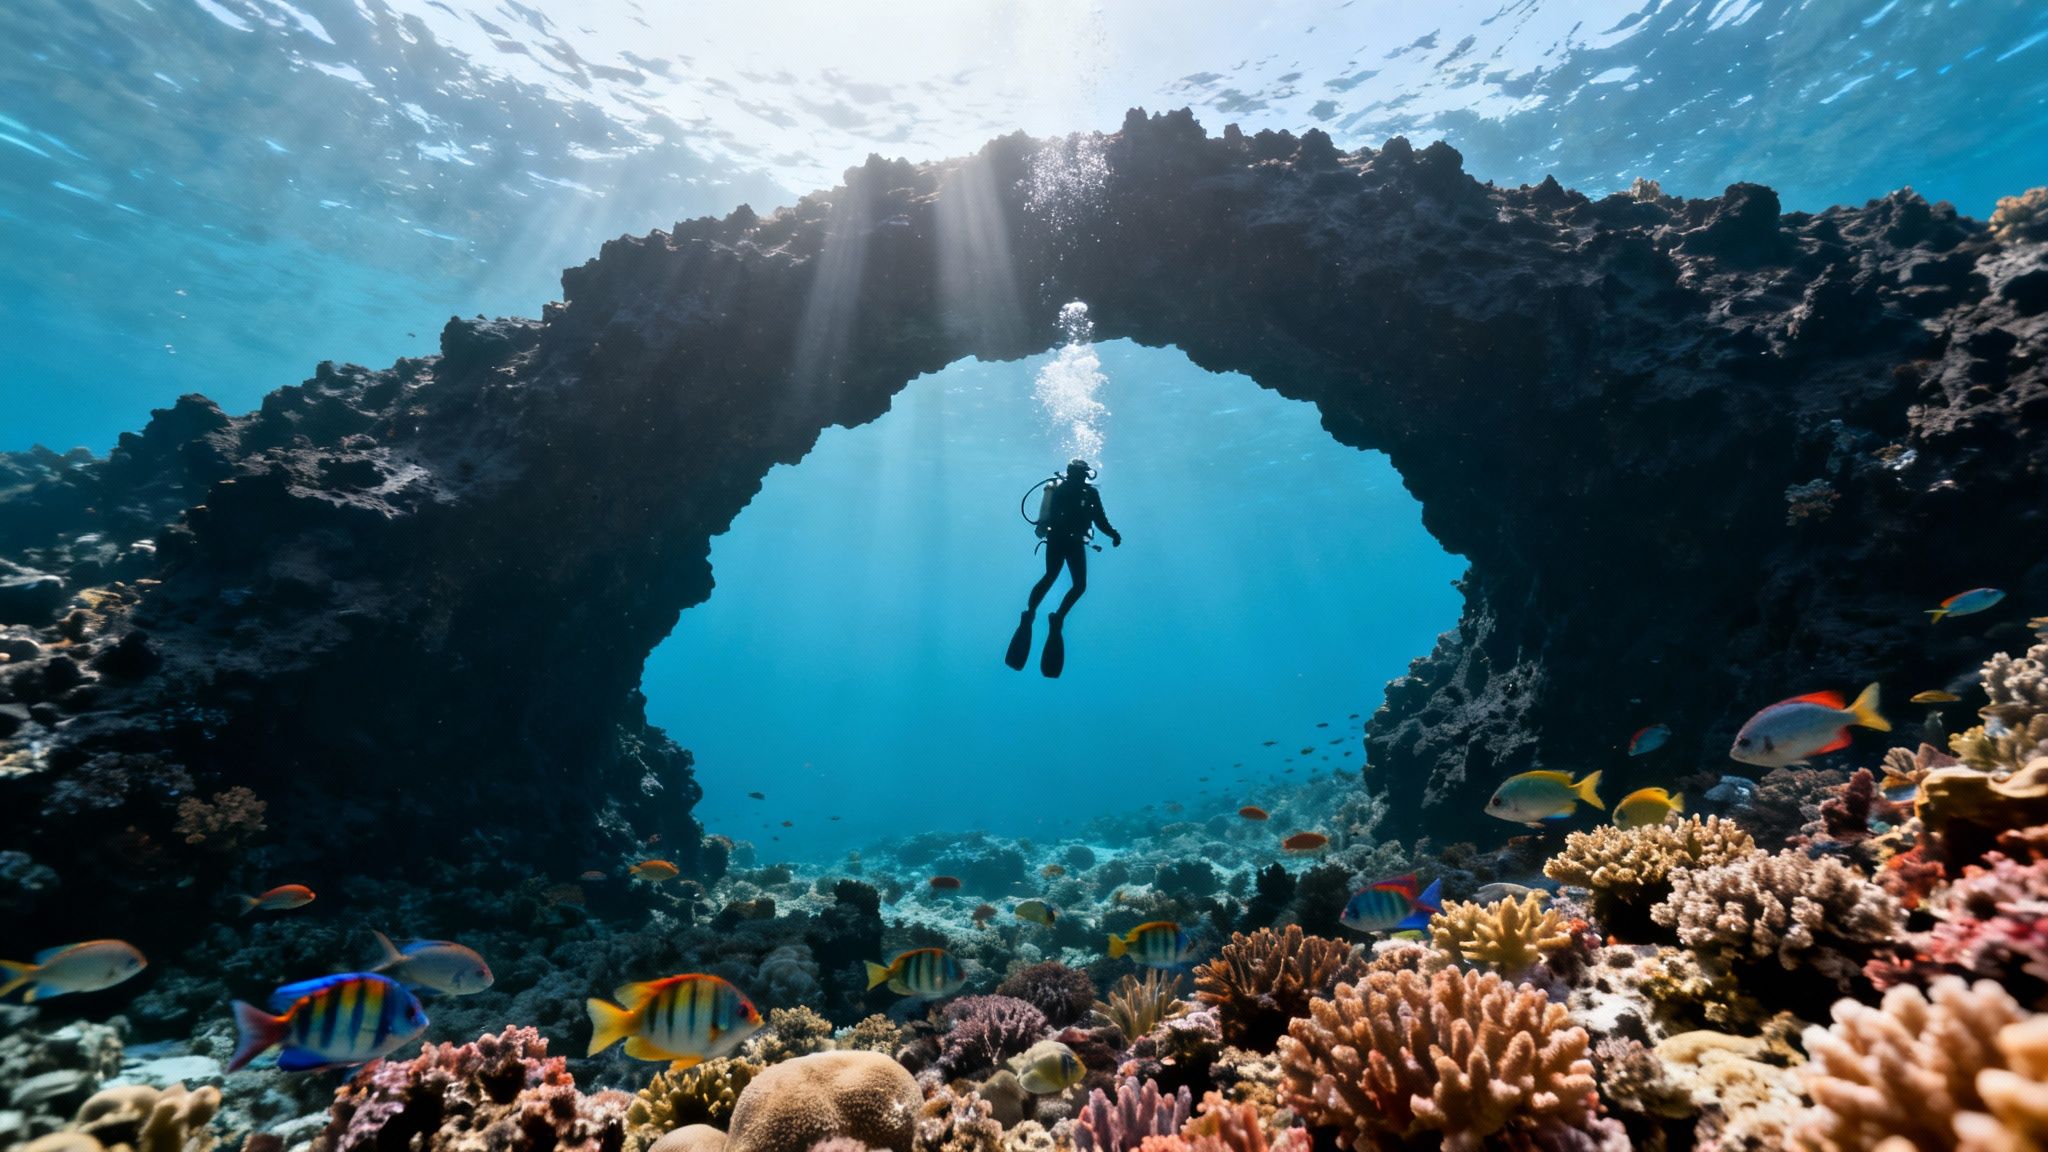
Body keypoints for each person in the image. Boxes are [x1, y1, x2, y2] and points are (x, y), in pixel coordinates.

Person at [1005, 458, 1121, 678]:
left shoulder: (1081, 492)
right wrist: (1112, 533)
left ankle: (1039, 615)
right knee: (1065, 581)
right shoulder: (1079, 492)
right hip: (1065, 540)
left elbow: (1100, 520)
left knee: (1063, 580)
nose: (1080, 478)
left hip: (1065, 540)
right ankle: (1045, 616)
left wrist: (1113, 533)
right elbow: (1099, 521)